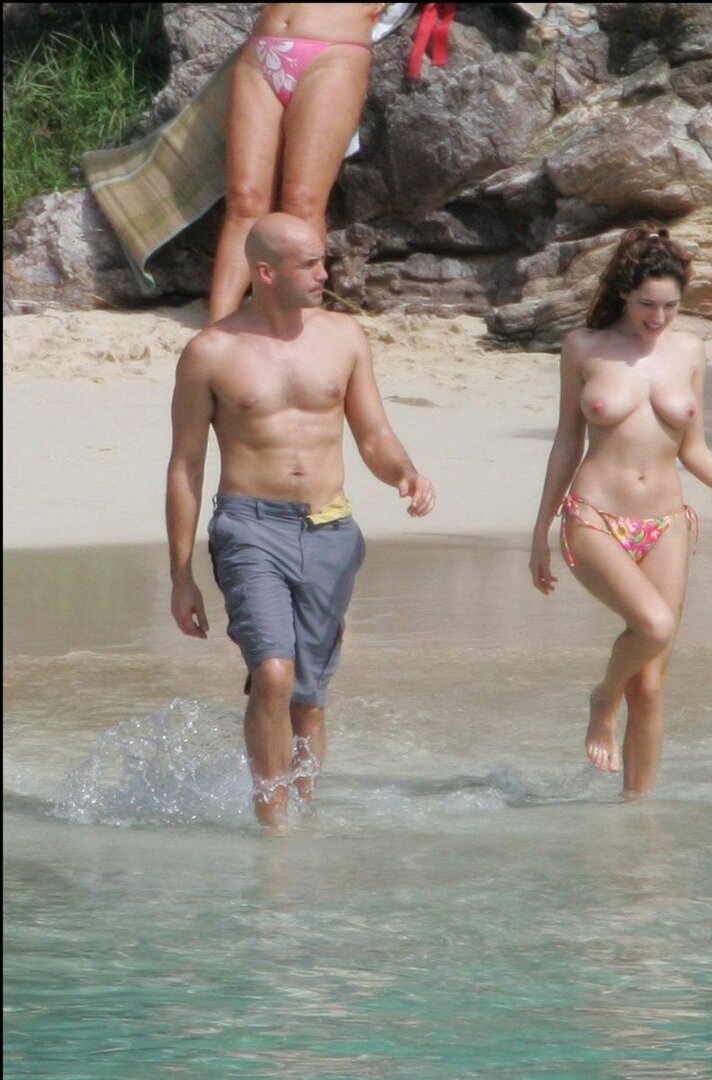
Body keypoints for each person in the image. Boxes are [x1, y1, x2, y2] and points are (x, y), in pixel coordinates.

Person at [167, 212, 435, 832]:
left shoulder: (344, 337)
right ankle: (274, 825)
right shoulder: (211, 352)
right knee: (273, 673)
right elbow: (186, 466)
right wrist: (181, 574)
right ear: (266, 272)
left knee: (308, 697)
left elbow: (373, 435)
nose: (324, 274)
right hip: (249, 527)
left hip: (330, 530)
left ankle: (305, 814)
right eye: (309, 263)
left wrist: (404, 473)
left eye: (322, 261)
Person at [529, 223, 712, 798]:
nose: (658, 318)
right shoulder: (584, 346)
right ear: (624, 295)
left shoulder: (690, 351)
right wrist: (540, 531)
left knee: (651, 686)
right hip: (594, 516)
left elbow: (693, 447)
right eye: (646, 305)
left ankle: (638, 816)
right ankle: (603, 698)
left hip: (668, 524)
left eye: (670, 307)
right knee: (653, 626)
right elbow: (566, 442)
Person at [209, 3, 388, 324]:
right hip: (262, 50)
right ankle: (217, 328)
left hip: (335, 54)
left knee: (302, 201)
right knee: (244, 199)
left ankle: (301, 326)